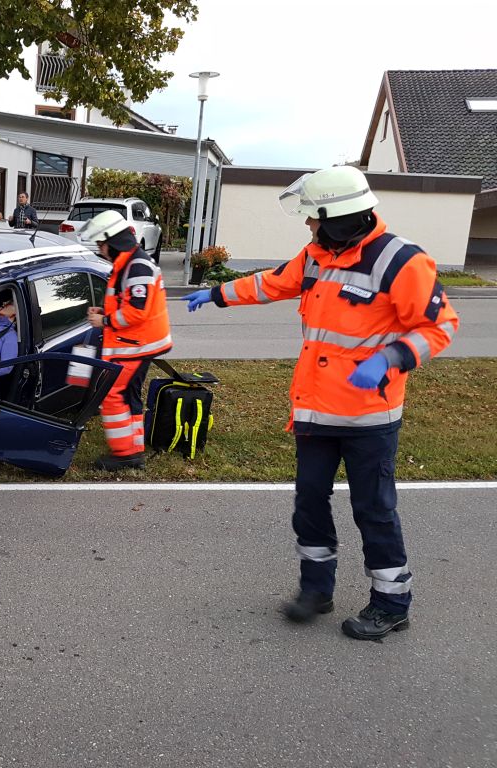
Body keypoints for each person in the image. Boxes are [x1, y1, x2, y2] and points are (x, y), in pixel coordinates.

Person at [183, 165, 460, 641]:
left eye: (314, 218)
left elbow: (440, 326)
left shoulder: (401, 261)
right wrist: (217, 294)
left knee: (373, 509)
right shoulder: (316, 255)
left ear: (337, 217)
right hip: (315, 412)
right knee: (309, 502)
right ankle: (316, 590)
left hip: (369, 417)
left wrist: (393, 357)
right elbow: (272, 283)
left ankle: (392, 603)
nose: (308, 227)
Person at [80, 210, 172, 471]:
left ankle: (124, 454)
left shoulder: (137, 266)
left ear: (113, 241)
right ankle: (135, 449)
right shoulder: (131, 263)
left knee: (112, 394)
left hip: (137, 344)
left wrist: (105, 321)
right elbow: (128, 302)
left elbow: (137, 311)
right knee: (130, 395)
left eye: (101, 244)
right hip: (138, 343)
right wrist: (105, 312)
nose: (100, 250)